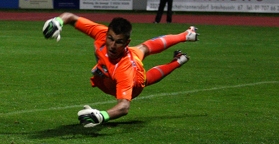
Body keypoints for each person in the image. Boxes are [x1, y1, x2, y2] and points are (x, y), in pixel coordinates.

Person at [41, 13, 199, 127]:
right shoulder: (101, 33)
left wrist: (102, 116)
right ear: (107, 33)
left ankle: (177, 61)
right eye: (110, 38)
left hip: (132, 79)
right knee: (144, 48)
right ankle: (186, 35)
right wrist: (58, 21)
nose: (112, 45)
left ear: (126, 42)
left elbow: (124, 107)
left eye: (119, 42)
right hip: (126, 58)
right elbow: (71, 17)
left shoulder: (124, 70)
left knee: (144, 79)